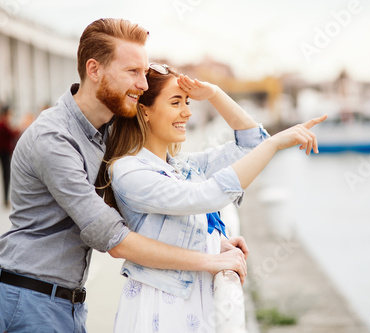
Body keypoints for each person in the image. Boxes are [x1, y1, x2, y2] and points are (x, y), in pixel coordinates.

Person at [0, 18, 247, 333]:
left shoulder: (108, 131)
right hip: (28, 301)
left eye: (144, 72)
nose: (144, 84)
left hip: (66, 302)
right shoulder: (52, 139)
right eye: (133, 72)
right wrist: (211, 260)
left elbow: (163, 183)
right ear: (94, 70)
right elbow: (114, 239)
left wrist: (211, 241)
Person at [97, 64, 327, 332]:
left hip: (195, 299)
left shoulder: (182, 165)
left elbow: (250, 145)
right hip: (161, 304)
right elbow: (204, 196)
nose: (187, 111)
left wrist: (215, 93)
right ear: (144, 110)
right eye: (175, 102)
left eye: (187, 101)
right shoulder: (129, 170)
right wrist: (274, 143)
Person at [0, 105, 19, 207]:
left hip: (2, 152)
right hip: (4, 152)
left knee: (6, 175)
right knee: (6, 175)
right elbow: (12, 134)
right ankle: (5, 199)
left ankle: (5, 198)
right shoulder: (2, 125)